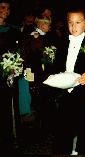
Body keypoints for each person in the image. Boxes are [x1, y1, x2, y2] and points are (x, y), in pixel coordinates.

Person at [50, 3, 85, 155]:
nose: (73, 27)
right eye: (70, 23)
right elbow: (57, 65)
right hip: (64, 90)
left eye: (77, 22)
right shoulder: (62, 43)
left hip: (83, 90)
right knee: (63, 123)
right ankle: (62, 149)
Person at [0, 0, 21, 154]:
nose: (5, 10)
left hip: (7, 73)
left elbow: (17, 50)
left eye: (8, 8)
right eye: (2, 7)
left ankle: (11, 139)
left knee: (8, 107)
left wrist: (15, 66)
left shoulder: (13, 30)